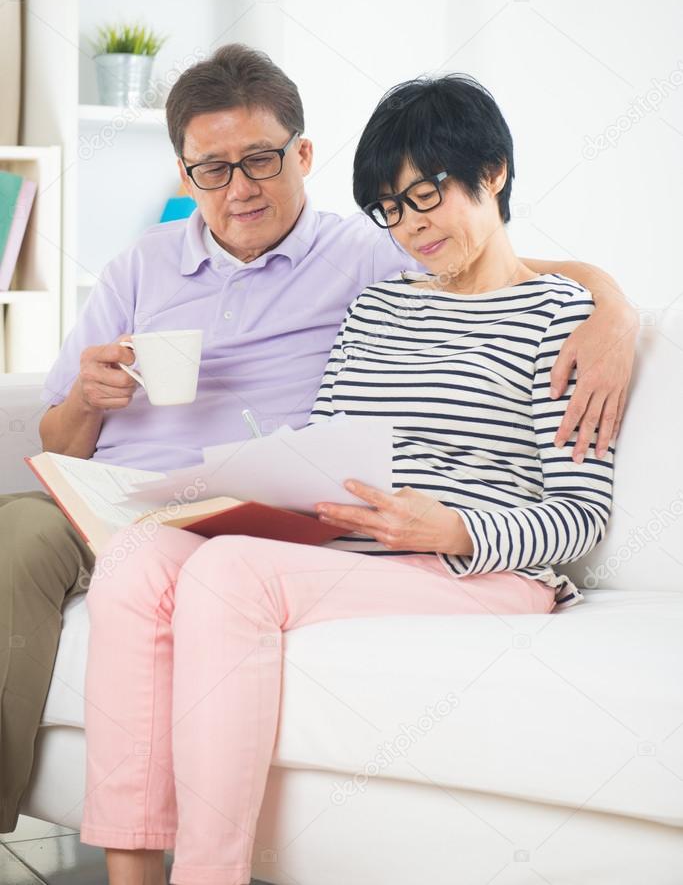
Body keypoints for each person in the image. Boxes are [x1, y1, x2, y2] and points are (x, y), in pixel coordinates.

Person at [0, 44, 632, 838]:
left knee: (212, 569)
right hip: (126, 497)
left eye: (259, 160)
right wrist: (89, 400)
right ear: (184, 173)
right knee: (20, 528)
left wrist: (611, 307)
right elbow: (60, 438)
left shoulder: (365, 256)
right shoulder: (141, 267)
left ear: (300, 154)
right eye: (211, 169)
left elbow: (488, 262)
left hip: (251, 508)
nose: (239, 188)